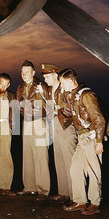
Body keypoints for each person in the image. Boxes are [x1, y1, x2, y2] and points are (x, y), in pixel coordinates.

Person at [58, 68, 109, 215]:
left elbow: (99, 119)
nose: (61, 86)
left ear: (71, 80)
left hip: (92, 137)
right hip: (82, 138)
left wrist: (99, 141)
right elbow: (71, 113)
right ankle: (80, 201)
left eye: (62, 83)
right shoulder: (73, 96)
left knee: (94, 171)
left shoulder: (86, 95)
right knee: (75, 168)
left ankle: (95, 203)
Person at [41, 63, 77, 205]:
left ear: (56, 74)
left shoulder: (64, 88)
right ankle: (64, 192)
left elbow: (72, 107)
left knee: (70, 160)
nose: (45, 79)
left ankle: (76, 195)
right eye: (44, 77)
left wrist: (57, 111)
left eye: (47, 76)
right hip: (55, 125)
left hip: (66, 126)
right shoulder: (50, 89)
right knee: (59, 159)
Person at [16, 60, 51, 201]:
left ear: (33, 72)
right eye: (22, 72)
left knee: (41, 156)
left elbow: (49, 105)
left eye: (27, 72)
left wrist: (46, 124)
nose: (24, 75)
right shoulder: (20, 87)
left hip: (39, 121)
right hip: (27, 122)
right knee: (28, 154)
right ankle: (30, 187)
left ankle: (43, 190)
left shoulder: (41, 86)